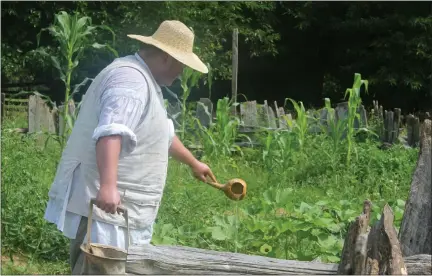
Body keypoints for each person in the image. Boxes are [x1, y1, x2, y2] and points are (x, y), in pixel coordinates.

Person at [44, 20, 217, 274]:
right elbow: (111, 131)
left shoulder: (145, 81)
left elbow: (163, 134)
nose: (182, 71)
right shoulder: (131, 81)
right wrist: (108, 186)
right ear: (167, 57)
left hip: (118, 215)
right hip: (107, 215)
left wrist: (194, 163)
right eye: (182, 63)